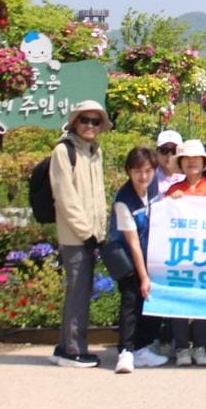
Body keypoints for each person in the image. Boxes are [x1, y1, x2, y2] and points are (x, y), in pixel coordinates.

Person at [49, 100, 110, 368]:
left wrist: (99, 231)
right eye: (85, 120)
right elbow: (65, 197)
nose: (90, 125)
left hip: (91, 234)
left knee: (82, 291)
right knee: (77, 292)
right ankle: (72, 349)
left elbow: (98, 196)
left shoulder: (94, 152)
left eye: (95, 121)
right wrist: (86, 232)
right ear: (75, 122)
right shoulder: (64, 151)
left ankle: (66, 346)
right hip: (76, 235)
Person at [164, 139, 206, 366]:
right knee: (179, 300)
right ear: (181, 163)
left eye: (196, 158)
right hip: (181, 253)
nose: (192, 162)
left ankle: (200, 347)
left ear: (203, 161)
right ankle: (181, 347)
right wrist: (170, 202)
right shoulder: (173, 190)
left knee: (202, 299)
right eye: (187, 159)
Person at [110, 147, 168, 373]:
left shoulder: (152, 189)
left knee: (151, 302)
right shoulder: (124, 200)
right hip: (128, 258)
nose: (143, 176)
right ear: (128, 171)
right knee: (131, 301)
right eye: (137, 171)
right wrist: (143, 276)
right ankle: (125, 351)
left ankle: (142, 348)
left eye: (148, 171)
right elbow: (132, 243)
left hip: (151, 255)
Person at [153, 129, 185, 196]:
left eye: (174, 150)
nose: (169, 155)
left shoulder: (188, 176)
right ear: (157, 152)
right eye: (164, 150)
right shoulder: (149, 178)